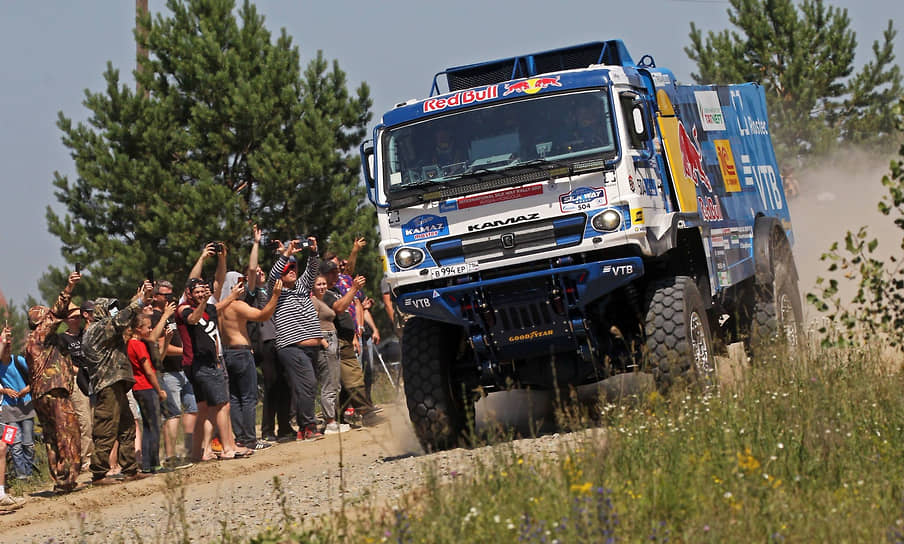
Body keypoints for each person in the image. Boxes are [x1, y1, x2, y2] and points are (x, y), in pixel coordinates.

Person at [82, 283, 155, 485]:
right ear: (101, 311)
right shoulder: (98, 328)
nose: (114, 311)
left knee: (127, 427)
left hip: (116, 384)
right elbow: (120, 320)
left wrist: (139, 301)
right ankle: (99, 473)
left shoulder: (104, 328)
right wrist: (139, 301)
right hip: (108, 386)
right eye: (111, 308)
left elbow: (122, 320)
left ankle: (130, 469)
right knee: (106, 427)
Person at [179, 276, 250, 461]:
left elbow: (219, 306)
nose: (201, 294)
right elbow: (193, 319)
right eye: (197, 292)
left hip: (210, 362)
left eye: (203, 291)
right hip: (201, 364)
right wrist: (203, 303)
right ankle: (227, 448)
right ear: (189, 293)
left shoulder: (208, 308)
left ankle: (201, 452)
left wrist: (233, 295)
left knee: (206, 409)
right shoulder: (184, 309)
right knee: (222, 405)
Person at [23, 271, 83, 493]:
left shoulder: (32, 340)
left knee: (51, 436)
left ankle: (59, 479)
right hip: (54, 390)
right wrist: (69, 287)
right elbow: (57, 311)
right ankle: (67, 479)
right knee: (68, 432)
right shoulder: (41, 334)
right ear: (42, 321)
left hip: (40, 395)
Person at [268, 238, 324, 441]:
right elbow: (274, 274)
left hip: (310, 348)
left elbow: (312, 268)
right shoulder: (276, 290)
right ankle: (308, 427)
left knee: (307, 386)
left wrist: (313, 251)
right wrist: (285, 254)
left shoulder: (301, 286)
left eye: (294, 267)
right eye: (288, 267)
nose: (292, 270)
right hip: (292, 347)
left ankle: (304, 426)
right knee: (307, 384)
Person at [218, 270, 282, 449]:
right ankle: (250, 439)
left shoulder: (219, 307)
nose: (244, 285)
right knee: (248, 398)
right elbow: (263, 316)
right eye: (241, 281)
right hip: (242, 352)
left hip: (227, 353)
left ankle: (240, 437)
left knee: (235, 397)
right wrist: (275, 296)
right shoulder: (236, 305)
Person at [321, 261, 381, 424]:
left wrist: (354, 335)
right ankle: (366, 414)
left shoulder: (335, 290)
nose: (336, 275)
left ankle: (340, 415)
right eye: (331, 272)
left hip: (346, 338)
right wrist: (354, 288)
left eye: (336, 272)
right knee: (351, 378)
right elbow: (339, 308)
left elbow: (351, 308)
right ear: (323, 275)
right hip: (335, 340)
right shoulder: (323, 293)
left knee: (347, 380)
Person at [150, 281, 195, 469]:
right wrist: (186, 350)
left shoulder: (171, 315)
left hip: (181, 370)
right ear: (155, 296)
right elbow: (159, 345)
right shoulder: (154, 316)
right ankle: (170, 457)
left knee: (192, 408)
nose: (170, 298)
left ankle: (190, 451)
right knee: (172, 415)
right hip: (166, 372)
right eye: (165, 295)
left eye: (171, 295)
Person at [127, 313, 168, 473]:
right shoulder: (138, 345)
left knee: (148, 426)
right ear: (138, 329)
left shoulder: (129, 344)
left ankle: (147, 463)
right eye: (148, 327)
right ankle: (153, 462)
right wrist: (159, 390)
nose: (151, 329)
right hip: (146, 387)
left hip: (138, 388)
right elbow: (149, 371)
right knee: (154, 427)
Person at [60, 300, 95, 471]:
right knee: (85, 421)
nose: (76, 319)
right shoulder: (62, 339)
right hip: (76, 379)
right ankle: (86, 459)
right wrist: (79, 371)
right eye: (72, 317)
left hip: (94, 377)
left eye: (78, 316)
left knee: (98, 418)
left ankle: (99, 456)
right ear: (65, 319)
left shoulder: (86, 332)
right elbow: (63, 362)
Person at [311, 275, 348, 434]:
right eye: (318, 284)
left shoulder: (324, 300)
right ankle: (330, 421)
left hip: (332, 339)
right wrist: (324, 343)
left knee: (335, 383)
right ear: (312, 286)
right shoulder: (312, 301)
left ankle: (333, 419)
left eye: (324, 283)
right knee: (329, 384)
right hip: (325, 341)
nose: (322, 286)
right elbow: (311, 324)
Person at [0, 326, 36, 481]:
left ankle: (29, 472)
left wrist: (26, 390)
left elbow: (34, 379)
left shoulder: (19, 361)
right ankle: (21, 475)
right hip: (8, 411)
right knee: (15, 443)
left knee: (28, 443)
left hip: (26, 407)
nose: (7, 349)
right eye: (4, 346)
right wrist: (5, 391)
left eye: (9, 346)